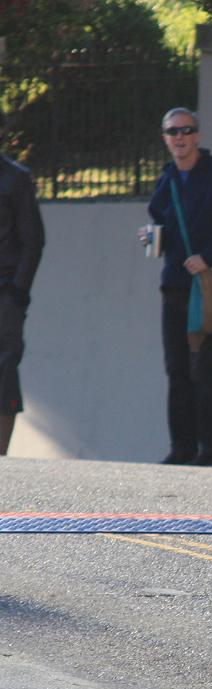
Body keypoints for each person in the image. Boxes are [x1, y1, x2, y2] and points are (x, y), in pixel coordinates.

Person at [142, 109, 212, 466]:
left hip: (209, 286)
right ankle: (181, 447)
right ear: (165, 138)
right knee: (176, 368)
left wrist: (210, 255)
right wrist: (151, 237)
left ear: (198, 135)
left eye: (186, 130)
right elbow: (160, 223)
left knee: (204, 366)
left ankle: (211, 450)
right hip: (174, 285)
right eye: (173, 131)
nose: (180, 137)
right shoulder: (166, 179)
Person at [0, 111, 43, 456]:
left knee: (4, 370)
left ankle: (3, 455)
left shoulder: (15, 179)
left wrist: (18, 292)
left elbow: (33, 240)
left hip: (5, 293)